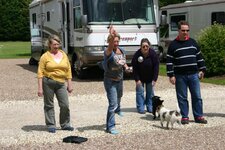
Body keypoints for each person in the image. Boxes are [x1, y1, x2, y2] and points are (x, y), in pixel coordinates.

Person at [166, 20, 207, 124]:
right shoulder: (173, 45)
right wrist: (171, 75)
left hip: (194, 75)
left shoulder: (193, 42)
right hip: (180, 76)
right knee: (182, 97)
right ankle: (184, 117)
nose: (185, 32)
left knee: (197, 96)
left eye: (187, 30)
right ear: (179, 30)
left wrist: (202, 69)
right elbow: (169, 61)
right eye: (183, 30)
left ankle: (198, 116)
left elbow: (199, 57)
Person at [37, 35, 74, 133]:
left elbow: (68, 70)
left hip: (61, 83)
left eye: (58, 44)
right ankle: (51, 125)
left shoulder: (63, 54)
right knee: (49, 104)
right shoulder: (45, 56)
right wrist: (40, 88)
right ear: (49, 45)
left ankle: (65, 124)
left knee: (65, 104)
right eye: (54, 44)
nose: (56, 46)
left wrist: (69, 84)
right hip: (48, 82)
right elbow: (40, 73)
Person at [102, 26, 130, 135]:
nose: (116, 43)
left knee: (119, 97)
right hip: (110, 80)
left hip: (120, 79)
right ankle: (110, 127)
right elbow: (110, 48)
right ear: (110, 42)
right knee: (112, 104)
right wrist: (112, 36)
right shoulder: (108, 51)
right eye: (114, 41)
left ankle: (118, 109)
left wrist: (127, 67)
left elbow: (123, 62)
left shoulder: (122, 50)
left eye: (117, 41)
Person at [131, 38, 159, 114]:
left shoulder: (153, 54)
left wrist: (154, 79)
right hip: (140, 77)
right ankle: (140, 107)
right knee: (140, 92)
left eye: (147, 46)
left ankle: (150, 107)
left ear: (149, 46)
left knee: (150, 93)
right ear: (141, 47)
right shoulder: (137, 55)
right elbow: (135, 68)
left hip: (150, 77)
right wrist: (137, 80)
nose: (145, 48)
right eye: (143, 46)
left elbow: (156, 67)